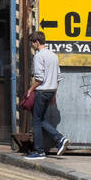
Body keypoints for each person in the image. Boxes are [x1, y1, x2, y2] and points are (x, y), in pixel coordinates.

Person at [27, 31, 68, 160]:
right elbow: (58, 77)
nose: (32, 46)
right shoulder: (53, 55)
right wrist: (54, 93)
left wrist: (30, 90)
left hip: (42, 91)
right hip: (51, 91)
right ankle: (59, 139)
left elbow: (39, 78)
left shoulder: (38, 56)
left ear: (37, 42)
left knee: (36, 121)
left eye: (32, 44)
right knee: (40, 119)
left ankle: (40, 151)